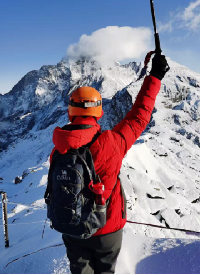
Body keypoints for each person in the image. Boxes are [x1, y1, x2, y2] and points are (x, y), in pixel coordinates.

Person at [50, 54, 170, 274]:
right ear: (99, 112)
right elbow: (138, 117)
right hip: (107, 228)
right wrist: (155, 76)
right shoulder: (112, 144)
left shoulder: (58, 150)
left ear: (70, 112)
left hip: (71, 225)